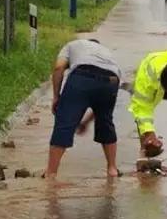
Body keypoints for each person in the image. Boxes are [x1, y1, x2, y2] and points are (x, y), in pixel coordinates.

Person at [45, 39, 122, 178]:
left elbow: (58, 68)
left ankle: (51, 173)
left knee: (64, 122)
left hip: (82, 76)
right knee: (106, 122)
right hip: (111, 79)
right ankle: (112, 169)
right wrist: (86, 122)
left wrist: (56, 97)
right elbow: (100, 107)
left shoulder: (71, 45)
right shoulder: (106, 53)